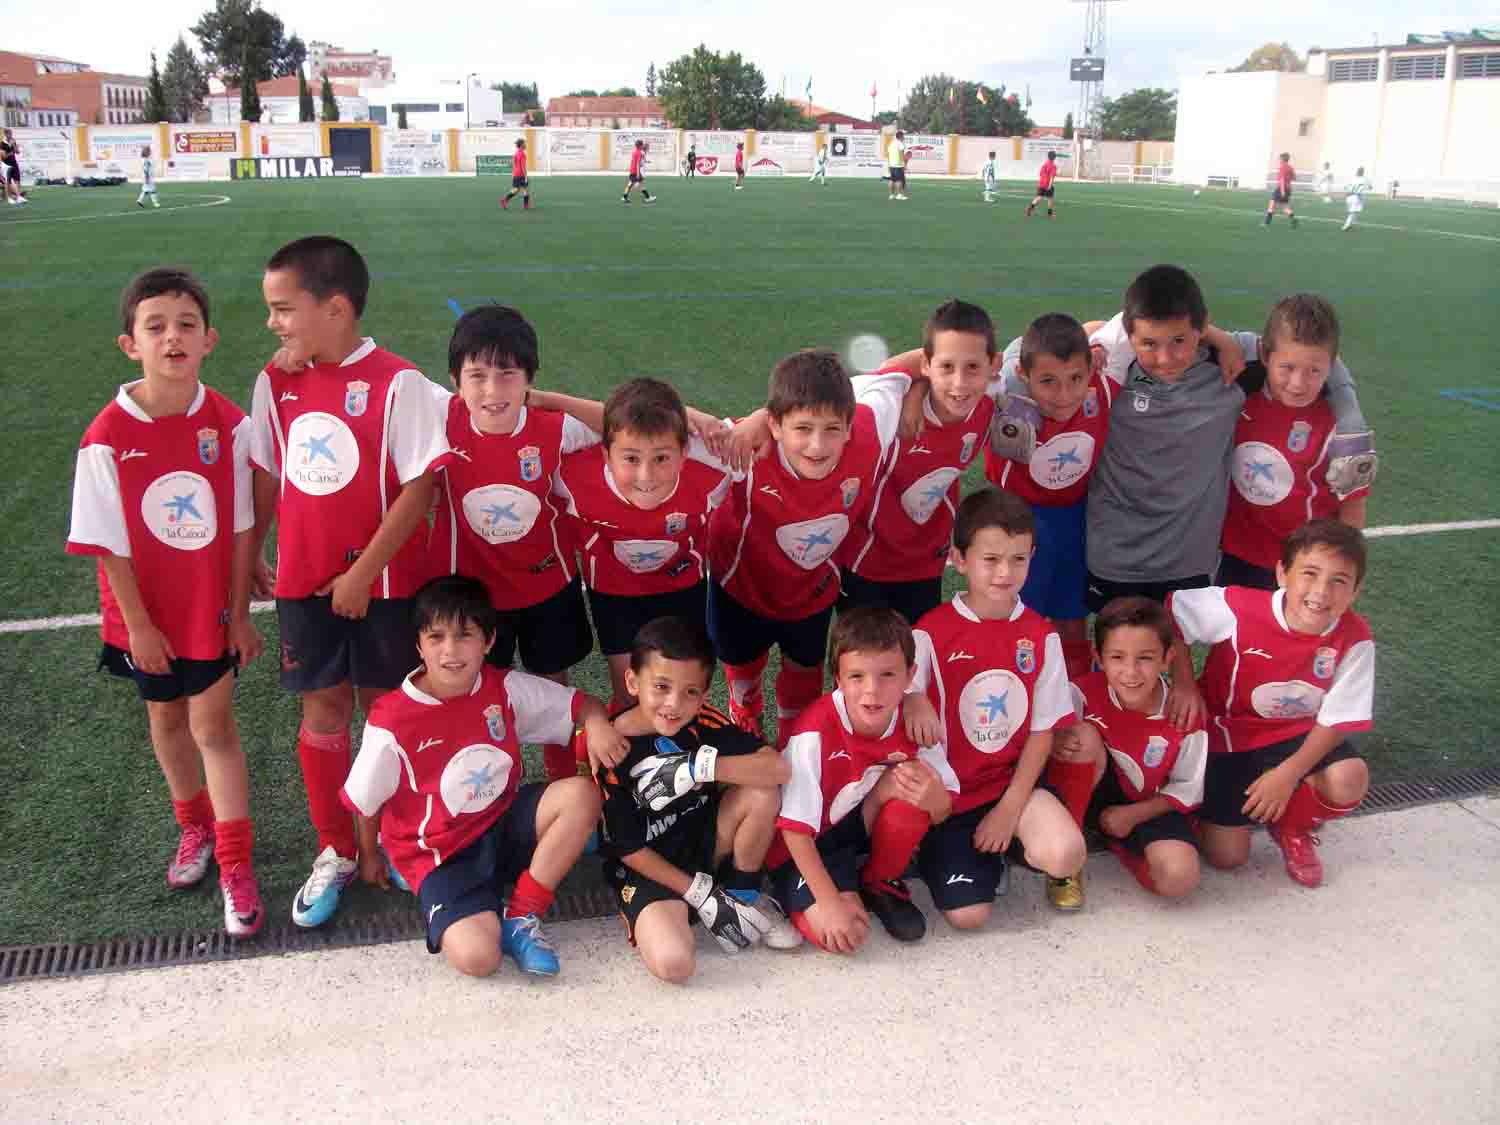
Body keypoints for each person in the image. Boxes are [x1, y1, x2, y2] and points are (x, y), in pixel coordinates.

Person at [248, 235, 451, 928]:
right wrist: (253, 554)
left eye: (283, 308)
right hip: (304, 586)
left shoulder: (400, 383)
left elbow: (420, 487)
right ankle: (335, 848)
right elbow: (269, 472)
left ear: (335, 308)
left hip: (385, 587)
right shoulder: (277, 380)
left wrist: (364, 572)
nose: (273, 323)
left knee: (387, 714)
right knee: (323, 712)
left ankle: (392, 841)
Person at [67, 267, 264, 936]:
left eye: (185, 325)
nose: (172, 337)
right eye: (156, 327)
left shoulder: (228, 425)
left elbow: (241, 526)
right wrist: (139, 626)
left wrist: (238, 611)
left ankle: (236, 862)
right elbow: (107, 543)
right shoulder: (104, 436)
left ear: (208, 339)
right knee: (167, 724)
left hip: (208, 606)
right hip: (144, 616)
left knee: (213, 725)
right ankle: (195, 828)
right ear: (131, 344)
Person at [342, 575, 620, 978]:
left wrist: (597, 724)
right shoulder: (390, 719)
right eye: (435, 637)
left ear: (489, 641)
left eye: (464, 635)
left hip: (502, 823)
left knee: (581, 797)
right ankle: (482, 906)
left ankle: (523, 914)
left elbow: (582, 704)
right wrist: (369, 854)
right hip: (440, 853)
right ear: (418, 644)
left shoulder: (502, 688)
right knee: (479, 960)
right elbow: (364, 798)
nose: (450, 651)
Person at [426, 305, 596, 782]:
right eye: (476, 375)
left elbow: (627, 422)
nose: (492, 390)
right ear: (455, 380)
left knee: (553, 687)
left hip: (547, 588)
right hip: (476, 598)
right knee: (481, 694)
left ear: (529, 379)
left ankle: (564, 787)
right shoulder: (440, 418)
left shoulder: (556, 428)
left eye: (508, 375)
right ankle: (497, 789)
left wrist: (548, 400)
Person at [903, 488, 1090, 919]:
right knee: (969, 918)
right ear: (959, 558)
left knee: (1065, 855)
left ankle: (1010, 842)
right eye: (991, 559)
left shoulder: (1042, 636)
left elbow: (1043, 732)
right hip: (950, 794)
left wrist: (1008, 809)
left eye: (1018, 559)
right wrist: (914, 696)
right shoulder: (930, 633)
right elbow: (900, 693)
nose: (1005, 572)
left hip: (1011, 788)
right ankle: (953, 852)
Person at [707, 350, 907, 744]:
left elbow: (907, 368)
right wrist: (747, 424)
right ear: (775, 425)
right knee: (742, 667)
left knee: (804, 674)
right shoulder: (740, 448)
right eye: (802, 428)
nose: (817, 445)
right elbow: (654, 425)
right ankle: (746, 715)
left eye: (832, 429)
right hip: (741, 587)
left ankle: (795, 743)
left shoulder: (872, 426)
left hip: (812, 590)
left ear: (850, 425)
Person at [1167, 520, 1373, 888]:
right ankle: (1204, 808)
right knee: (1228, 857)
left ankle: (1293, 825)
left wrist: (1289, 773)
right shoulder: (1239, 607)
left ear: (1355, 591)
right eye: (1309, 573)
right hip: (1231, 737)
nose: (1321, 592)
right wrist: (1184, 685)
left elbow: (1338, 718)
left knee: (1349, 779)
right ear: (1282, 573)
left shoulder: (1355, 637)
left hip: (1299, 734)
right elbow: (1172, 614)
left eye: (1339, 581)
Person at [598, 616, 801, 981]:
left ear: (704, 695)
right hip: (649, 870)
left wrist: (698, 767)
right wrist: (700, 894)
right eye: (661, 686)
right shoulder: (612, 749)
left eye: (690, 692)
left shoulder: (702, 721)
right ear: (632, 681)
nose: (674, 703)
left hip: (707, 845)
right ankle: (693, 902)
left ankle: (744, 892)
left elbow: (778, 770)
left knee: (760, 790)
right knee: (675, 964)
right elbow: (627, 848)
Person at [534, 378, 732, 715]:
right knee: (630, 692)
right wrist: (538, 397)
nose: (646, 476)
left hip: (683, 587)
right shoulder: (572, 475)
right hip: (614, 594)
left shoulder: (714, 468)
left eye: (661, 458)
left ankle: (686, 751)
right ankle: (625, 745)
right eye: (630, 458)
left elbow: (766, 429)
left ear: (684, 451)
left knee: (685, 687)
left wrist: (693, 416)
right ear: (605, 453)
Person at [769, 607, 958, 950]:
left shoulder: (915, 722)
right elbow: (794, 831)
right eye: (857, 677)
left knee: (911, 798)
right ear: (838, 678)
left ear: (909, 675)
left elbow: (944, 808)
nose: (872, 691)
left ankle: (878, 881)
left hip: (849, 834)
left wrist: (934, 800)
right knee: (843, 934)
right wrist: (827, 902)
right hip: (800, 846)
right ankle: (801, 893)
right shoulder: (813, 731)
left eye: (888, 674)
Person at [839, 299, 999, 629]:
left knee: (916, 658)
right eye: (947, 368)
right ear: (925, 364)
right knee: (865, 658)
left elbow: (1042, 350)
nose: (959, 383)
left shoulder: (992, 400)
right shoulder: (889, 407)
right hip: (865, 559)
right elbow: (817, 402)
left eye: (973, 368)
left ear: (992, 366)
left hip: (926, 560)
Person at [982, 314, 1106, 680]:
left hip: (1077, 520)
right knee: (1018, 620)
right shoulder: (1001, 396)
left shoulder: (1102, 383)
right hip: (1017, 521)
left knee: (1072, 620)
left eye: (1075, 380)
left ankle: (1077, 698)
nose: (1064, 395)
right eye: (1048, 382)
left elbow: (1112, 323)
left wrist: (1093, 340)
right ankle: (1013, 694)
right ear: (1023, 374)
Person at [1220, 294, 1371, 591]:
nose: (1299, 383)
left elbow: (1352, 507)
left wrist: (1344, 569)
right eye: (1287, 367)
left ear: (1333, 367)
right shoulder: (1238, 397)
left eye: (1315, 371)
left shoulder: (1343, 428)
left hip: (1301, 567)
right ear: (1265, 356)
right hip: (1233, 555)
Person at [1061, 597, 1206, 898]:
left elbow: (1188, 788)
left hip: (1151, 806)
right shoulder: (1081, 693)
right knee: (1080, 737)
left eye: (1145, 658)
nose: (1131, 671)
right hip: (1090, 796)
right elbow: (1052, 744)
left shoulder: (1183, 713)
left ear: (1168, 658)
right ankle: (1069, 853)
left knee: (1180, 879)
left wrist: (1133, 816)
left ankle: (1118, 842)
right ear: (1098, 656)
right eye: (1117, 657)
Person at [1265, 151, 1298, 228]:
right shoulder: (1290, 167)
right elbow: (1294, 178)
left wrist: (1282, 191)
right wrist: (1288, 180)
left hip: (1281, 188)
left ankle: (1266, 223)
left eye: (1280, 159)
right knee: (1285, 207)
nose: (1279, 160)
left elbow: (1282, 179)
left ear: (1282, 159)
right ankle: (1293, 219)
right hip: (1288, 189)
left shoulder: (1282, 167)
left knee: (1271, 205)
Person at [1024, 150, 1058, 218]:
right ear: (1054, 157)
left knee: (1039, 197)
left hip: (1042, 183)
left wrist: (1042, 182)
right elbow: (1052, 177)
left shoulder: (1044, 164)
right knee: (1050, 199)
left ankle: (1029, 209)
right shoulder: (1053, 166)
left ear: (1048, 157)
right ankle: (1050, 214)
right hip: (1048, 184)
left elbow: (1040, 174)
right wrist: (1050, 186)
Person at [499, 138, 531, 211]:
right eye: (524, 143)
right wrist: (526, 176)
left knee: (516, 189)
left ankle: (505, 200)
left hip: (516, 174)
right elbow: (523, 166)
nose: (525, 145)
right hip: (521, 174)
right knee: (525, 189)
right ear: (521, 145)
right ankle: (526, 205)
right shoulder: (522, 154)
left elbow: (514, 164)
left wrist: (514, 173)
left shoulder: (516, 153)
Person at [622, 139, 656, 205]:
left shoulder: (634, 152)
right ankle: (647, 198)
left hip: (632, 170)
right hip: (635, 171)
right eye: (642, 144)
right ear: (640, 145)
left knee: (630, 184)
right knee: (641, 184)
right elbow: (637, 163)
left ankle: (624, 197)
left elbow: (635, 162)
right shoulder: (639, 153)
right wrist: (638, 173)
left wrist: (646, 161)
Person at [1343, 167, 1372, 231]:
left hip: (1349, 197)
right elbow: (1370, 187)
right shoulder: (1365, 179)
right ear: (1363, 172)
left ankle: (1349, 224)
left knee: (1353, 212)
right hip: (1357, 197)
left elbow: (1346, 187)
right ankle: (1346, 225)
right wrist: (1367, 187)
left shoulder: (1352, 178)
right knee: (1354, 212)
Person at [3, 129, 28, 204]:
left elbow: (17, 152)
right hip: (6, 165)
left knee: (17, 180)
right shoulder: (2, 144)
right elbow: (4, 156)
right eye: (9, 134)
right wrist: (11, 149)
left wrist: (14, 146)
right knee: (7, 182)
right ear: (6, 134)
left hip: (14, 163)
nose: (11, 135)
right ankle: (9, 198)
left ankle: (18, 197)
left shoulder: (13, 141)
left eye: (11, 134)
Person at [886, 129, 908, 200]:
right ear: (901, 136)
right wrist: (904, 164)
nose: (904, 137)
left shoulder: (891, 144)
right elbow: (902, 154)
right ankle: (899, 195)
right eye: (903, 136)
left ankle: (891, 195)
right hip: (898, 164)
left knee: (891, 180)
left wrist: (889, 164)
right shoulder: (900, 143)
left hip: (891, 164)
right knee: (899, 180)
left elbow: (888, 154)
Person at [136, 145, 159, 209]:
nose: (150, 152)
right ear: (147, 152)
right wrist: (147, 177)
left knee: (145, 190)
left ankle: (140, 200)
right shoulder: (146, 160)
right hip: (148, 176)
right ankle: (155, 203)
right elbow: (146, 169)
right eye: (149, 151)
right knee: (152, 190)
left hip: (146, 176)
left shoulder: (144, 159)